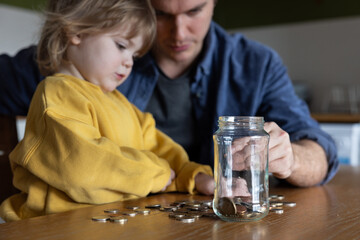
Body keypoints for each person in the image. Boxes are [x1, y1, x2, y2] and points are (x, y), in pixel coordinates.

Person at [0, 0, 339, 188]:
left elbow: (319, 148)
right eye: (161, 14)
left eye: (194, 11)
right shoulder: (79, 60)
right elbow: (82, 163)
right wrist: (163, 175)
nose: (179, 33)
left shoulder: (256, 64)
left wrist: (290, 157)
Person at [0, 0, 214, 222]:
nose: (129, 62)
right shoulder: (58, 93)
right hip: (53, 226)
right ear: (76, 32)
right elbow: (83, 166)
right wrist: (156, 174)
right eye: (121, 46)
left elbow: (159, 147)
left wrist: (192, 176)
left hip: (111, 222)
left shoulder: (121, 103)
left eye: (135, 55)